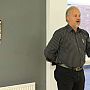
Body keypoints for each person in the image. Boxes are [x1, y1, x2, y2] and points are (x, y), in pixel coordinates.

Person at [44, 6, 90, 90]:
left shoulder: (84, 34)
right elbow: (48, 52)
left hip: (80, 73)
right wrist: (59, 61)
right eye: (75, 15)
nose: (78, 18)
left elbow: (89, 51)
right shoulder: (60, 33)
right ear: (67, 18)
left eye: (79, 15)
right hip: (64, 73)